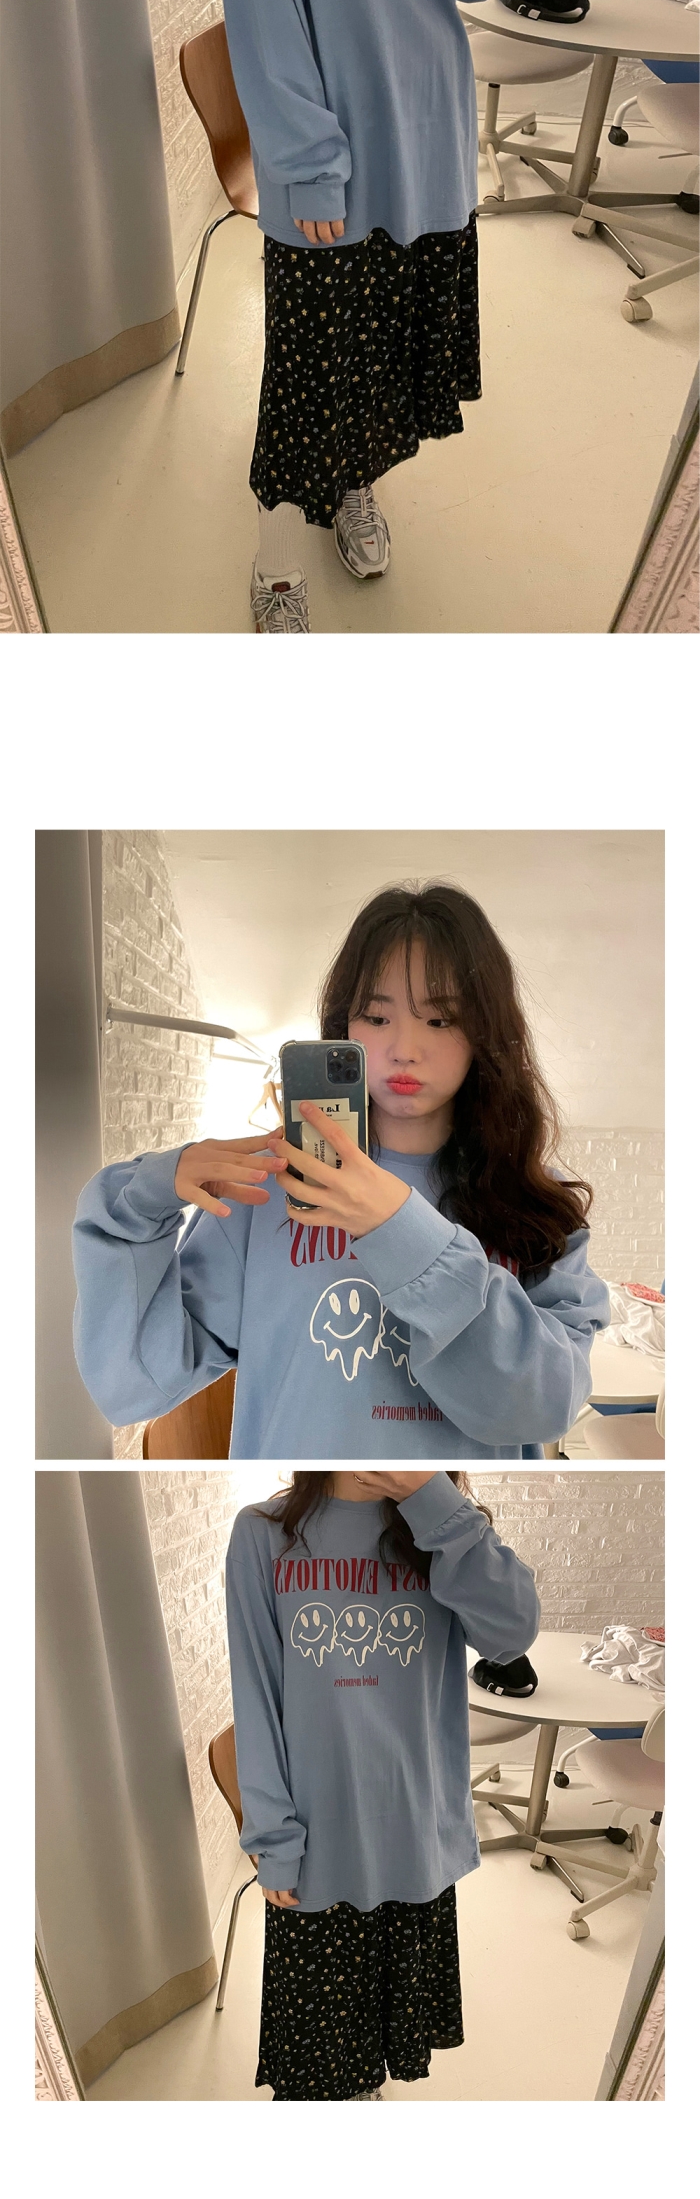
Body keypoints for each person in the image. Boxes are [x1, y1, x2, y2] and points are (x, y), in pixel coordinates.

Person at [72, 881, 609, 1459]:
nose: (404, 1048)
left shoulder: (536, 1204)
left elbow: (542, 1406)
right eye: (376, 1017)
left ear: (485, 1032)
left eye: (440, 1020)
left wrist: (398, 1227)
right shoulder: (271, 1186)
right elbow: (131, 1385)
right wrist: (143, 1198)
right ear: (344, 1026)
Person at [214, 0, 524, 631]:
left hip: (428, 144)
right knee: (306, 379)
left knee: (382, 363)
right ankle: (277, 565)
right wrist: (306, 159)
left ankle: (356, 486)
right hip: (326, 151)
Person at [226, 1464, 541, 2101]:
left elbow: (511, 1637)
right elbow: (254, 1697)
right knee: (320, 2065)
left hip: (412, 1833)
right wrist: (273, 1838)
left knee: (378, 2044)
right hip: (316, 1839)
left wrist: (433, 1500)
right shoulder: (262, 1533)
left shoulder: (443, 1525)